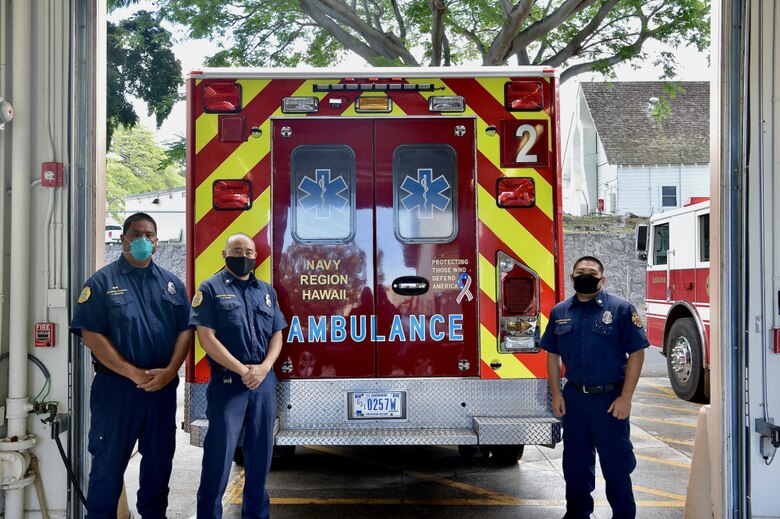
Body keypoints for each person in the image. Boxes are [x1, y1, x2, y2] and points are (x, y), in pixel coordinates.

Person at [70, 213, 192, 518]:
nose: (143, 240)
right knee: (107, 469)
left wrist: (170, 372)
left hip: (161, 390)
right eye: (137, 234)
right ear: (124, 238)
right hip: (117, 390)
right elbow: (91, 335)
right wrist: (131, 371)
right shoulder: (102, 282)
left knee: (158, 466)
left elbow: (186, 331)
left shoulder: (172, 284)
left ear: (156, 241)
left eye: (149, 235)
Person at [540, 256, 648, 519]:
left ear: (603, 278)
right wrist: (556, 393)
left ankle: (623, 515)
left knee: (616, 466)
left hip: (610, 401)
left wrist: (626, 397)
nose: (585, 275)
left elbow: (637, 353)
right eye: (580, 272)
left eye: (591, 272)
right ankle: (577, 514)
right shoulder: (560, 312)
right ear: (572, 277)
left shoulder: (621, 309)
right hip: (575, 399)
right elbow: (552, 356)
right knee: (575, 465)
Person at [191, 233, 287, 518]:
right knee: (219, 460)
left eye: (248, 252)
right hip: (229, 383)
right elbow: (206, 338)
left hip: (263, 382)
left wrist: (265, 367)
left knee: (260, 458)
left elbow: (277, 334)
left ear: (256, 257)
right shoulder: (209, 289)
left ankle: (256, 515)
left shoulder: (266, 291)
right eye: (237, 251)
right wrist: (243, 370)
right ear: (224, 254)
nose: (243, 256)